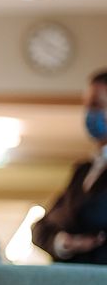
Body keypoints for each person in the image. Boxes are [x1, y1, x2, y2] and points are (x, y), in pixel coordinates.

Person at [33, 68, 107, 264]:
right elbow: (41, 227)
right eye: (87, 106)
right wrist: (65, 241)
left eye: (97, 105)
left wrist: (65, 222)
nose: (89, 113)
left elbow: (89, 214)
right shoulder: (82, 170)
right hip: (70, 282)